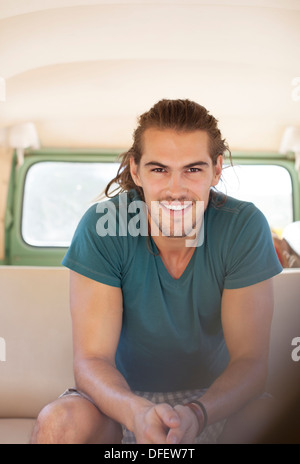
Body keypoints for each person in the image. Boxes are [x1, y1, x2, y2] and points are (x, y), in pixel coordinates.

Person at [31, 99, 282, 444]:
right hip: (121, 404)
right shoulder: (102, 226)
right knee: (59, 422)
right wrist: (137, 413)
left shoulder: (244, 226)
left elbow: (251, 363)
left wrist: (196, 413)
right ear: (136, 171)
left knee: (272, 415)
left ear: (217, 169)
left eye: (192, 170)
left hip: (214, 404)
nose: (175, 189)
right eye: (159, 169)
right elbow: (92, 359)